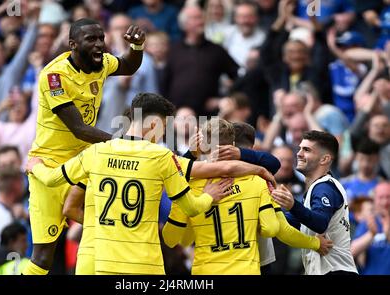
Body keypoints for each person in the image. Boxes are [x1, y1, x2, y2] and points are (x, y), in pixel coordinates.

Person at [26, 92, 277, 275]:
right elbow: (191, 204)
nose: (162, 135)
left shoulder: (97, 153)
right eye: (164, 128)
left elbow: (51, 180)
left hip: (101, 260)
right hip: (145, 263)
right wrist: (211, 194)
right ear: (155, 124)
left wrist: (34, 165)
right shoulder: (160, 157)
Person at [23, 18, 146, 275]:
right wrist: (121, 145)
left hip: (84, 163)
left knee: (104, 224)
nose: (99, 44)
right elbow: (79, 129)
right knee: (44, 257)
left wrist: (137, 48)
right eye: (91, 39)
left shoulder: (99, 63)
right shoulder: (54, 76)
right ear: (73, 44)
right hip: (48, 166)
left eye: (101, 38)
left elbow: (127, 65)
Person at [162, 119, 332, 274]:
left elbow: (173, 240)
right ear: (233, 145)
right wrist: (315, 243)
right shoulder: (257, 181)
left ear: (202, 147)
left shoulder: (190, 186)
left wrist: (197, 208)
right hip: (248, 268)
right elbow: (274, 229)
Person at [272, 130, 358, 275]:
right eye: (300, 148)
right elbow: (291, 222)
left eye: (306, 150)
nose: (298, 154)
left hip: (334, 271)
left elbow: (320, 223)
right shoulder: (316, 188)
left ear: (324, 159)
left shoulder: (324, 187)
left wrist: (293, 205)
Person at [351, 182, 390, 275]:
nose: (385, 202)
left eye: (388, 197)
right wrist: (371, 234)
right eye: (381, 197)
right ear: (375, 200)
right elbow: (351, 252)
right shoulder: (368, 222)